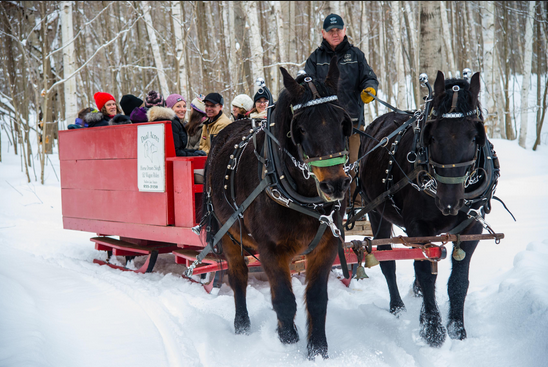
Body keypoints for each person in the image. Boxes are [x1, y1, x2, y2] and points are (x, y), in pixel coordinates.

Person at [305, 13, 379, 206]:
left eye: (338, 30)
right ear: (323, 33)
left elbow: (369, 78)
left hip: (352, 122)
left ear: (344, 30)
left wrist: (369, 89)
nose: (335, 34)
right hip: (325, 127)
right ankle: (327, 203)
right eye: (331, 31)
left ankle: (355, 205)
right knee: (326, 167)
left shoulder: (356, 55)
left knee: (354, 164)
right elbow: (307, 85)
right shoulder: (315, 58)